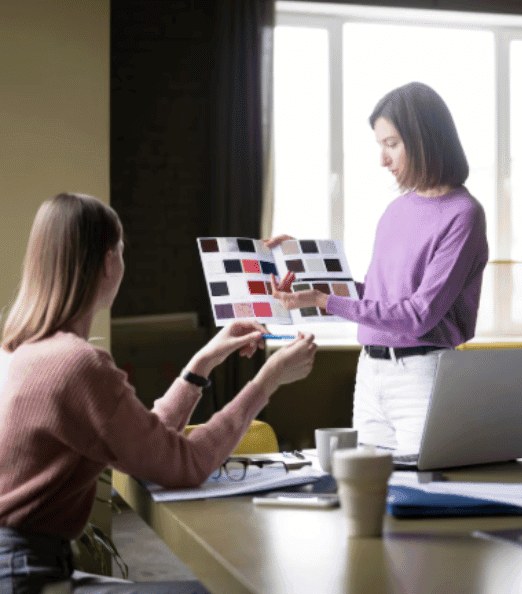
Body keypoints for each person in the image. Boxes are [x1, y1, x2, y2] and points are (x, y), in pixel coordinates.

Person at [0, 193, 317, 594]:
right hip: (27, 577)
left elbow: (142, 443)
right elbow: (186, 465)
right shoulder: (78, 364)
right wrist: (266, 382)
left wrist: (201, 364)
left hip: (20, 564)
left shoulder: (24, 351)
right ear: (109, 263)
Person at [268, 82, 488, 450]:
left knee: (422, 497)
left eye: (391, 144)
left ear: (424, 140)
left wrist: (324, 300)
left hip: (423, 376)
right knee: (371, 494)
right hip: (370, 372)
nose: (382, 160)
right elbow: (375, 296)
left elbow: (418, 316)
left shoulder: (463, 215)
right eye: (380, 146)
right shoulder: (395, 211)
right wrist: (298, 264)